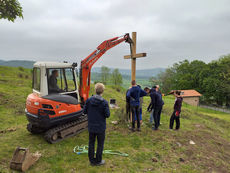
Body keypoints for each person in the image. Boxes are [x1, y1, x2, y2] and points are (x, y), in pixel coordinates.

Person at [83, 83, 110, 166]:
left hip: (91, 126)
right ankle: (98, 161)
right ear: (102, 91)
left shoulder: (89, 100)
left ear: (95, 90)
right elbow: (107, 115)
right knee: (100, 144)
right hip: (101, 127)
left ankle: (92, 161)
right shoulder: (104, 102)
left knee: (91, 143)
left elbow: (84, 111)